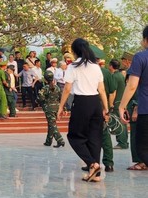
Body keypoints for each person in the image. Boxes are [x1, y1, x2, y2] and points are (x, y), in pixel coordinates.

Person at [57, 38, 109, 183]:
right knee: (95, 137)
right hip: (95, 103)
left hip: (81, 103)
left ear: (74, 51)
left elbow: (67, 88)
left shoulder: (73, 67)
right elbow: (102, 90)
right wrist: (106, 108)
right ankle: (95, 174)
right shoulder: (96, 66)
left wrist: (61, 107)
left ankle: (92, 164)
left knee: (75, 136)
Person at [119, 29, 148, 170]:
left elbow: (132, 86)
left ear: (145, 40)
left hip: (145, 109)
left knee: (142, 146)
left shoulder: (140, 57)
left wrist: (121, 106)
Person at [37, 70, 65, 147]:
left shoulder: (45, 88)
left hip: (49, 108)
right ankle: (48, 141)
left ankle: (60, 140)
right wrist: (64, 108)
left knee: (52, 124)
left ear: (45, 79)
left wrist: (43, 102)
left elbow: (40, 98)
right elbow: (61, 98)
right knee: (51, 124)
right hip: (57, 107)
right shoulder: (57, 87)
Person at [109, 59, 128, 150]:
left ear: (111, 66)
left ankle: (122, 143)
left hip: (117, 103)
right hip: (122, 101)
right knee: (122, 122)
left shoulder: (114, 76)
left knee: (118, 123)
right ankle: (124, 142)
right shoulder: (120, 75)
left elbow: (113, 92)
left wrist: (111, 103)